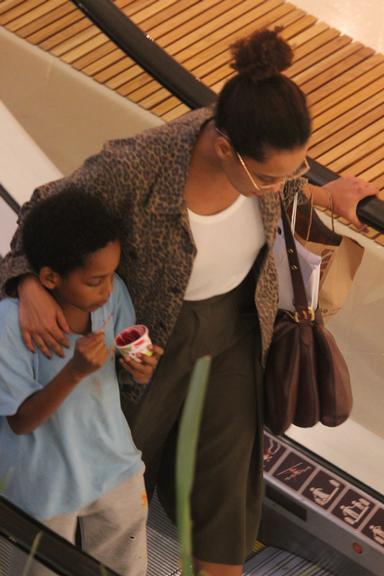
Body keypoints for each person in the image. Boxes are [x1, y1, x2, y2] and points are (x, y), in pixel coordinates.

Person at [0, 29, 377, 576]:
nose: (281, 187)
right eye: (271, 177)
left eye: (295, 170)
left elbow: (282, 181)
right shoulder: (137, 167)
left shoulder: (258, 151)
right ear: (223, 147)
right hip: (150, 337)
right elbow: (41, 211)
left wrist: (324, 192)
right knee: (118, 484)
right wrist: (27, 283)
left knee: (222, 506)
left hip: (236, 330)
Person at [0, 188, 163, 576]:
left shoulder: (113, 296)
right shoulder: (10, 323)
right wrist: (74, 371)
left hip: (114, 464)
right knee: (40, 568)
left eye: (111, 276)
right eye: (95, 281)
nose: (108, 289)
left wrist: (143, 365)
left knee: (125, 564)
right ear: (49, 277)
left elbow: (133, 359)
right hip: (43, 482)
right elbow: (20, 421)